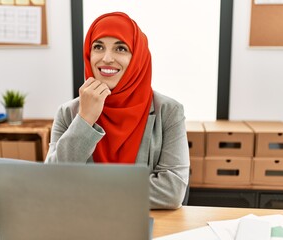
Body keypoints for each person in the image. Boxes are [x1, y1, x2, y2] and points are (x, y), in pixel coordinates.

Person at [45, 12, 190, 209]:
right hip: (81, 223)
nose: (106, 58)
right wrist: (85, 120)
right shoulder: (68, 112)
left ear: (138, 57)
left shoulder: (169, 111)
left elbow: (171, 192)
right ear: (89, 54)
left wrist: (85, 191)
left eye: (120, 48)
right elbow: (50, 183)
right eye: (98, 47)